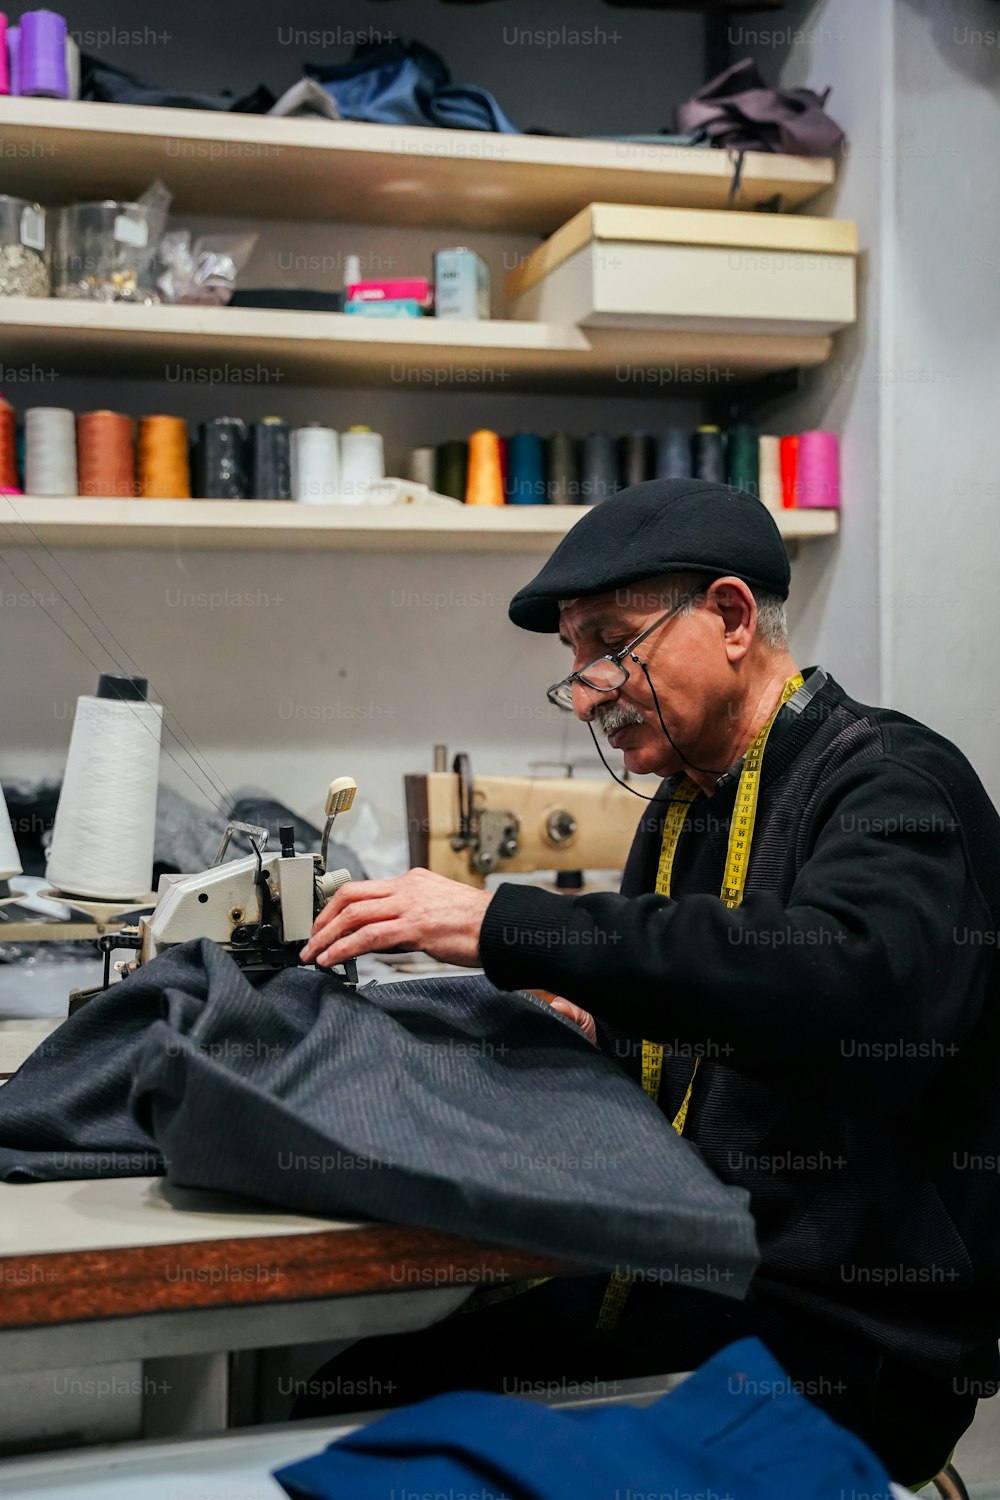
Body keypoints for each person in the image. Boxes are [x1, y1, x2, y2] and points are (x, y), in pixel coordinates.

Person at [299, 479, 1000, 1485]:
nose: (587, 688)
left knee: (396, 1439)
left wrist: (504, 921)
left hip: (850, 1338)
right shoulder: (685, 811)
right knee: (347, 1391)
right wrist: (602, 1018)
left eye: (611, 642)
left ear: (729, 616)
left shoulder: (892, 785)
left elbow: (846, 990)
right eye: (574, 658)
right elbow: (701, 996)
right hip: (709, 1279)